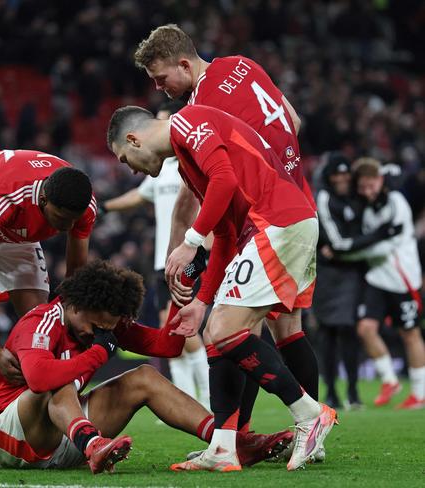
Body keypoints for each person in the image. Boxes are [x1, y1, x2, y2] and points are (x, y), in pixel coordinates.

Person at [106, 104, 337, 472]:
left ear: (134, 139)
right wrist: (201, 299)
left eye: (124, 158)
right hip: (265, 229)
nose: (130, 169)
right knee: (216, 334)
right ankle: (224, 447)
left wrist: (190, 240)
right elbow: (226, 232)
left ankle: (309, 413)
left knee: (226, 330)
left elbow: (225, 181)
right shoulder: (185, 160)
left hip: (277, 222)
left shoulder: (188, 121)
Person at [134, 23, 319, 438]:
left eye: (162, 78)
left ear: (184, 63)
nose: (162, 89)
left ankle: (240, 435)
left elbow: (200, 183)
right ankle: (294, 434)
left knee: (232, 326)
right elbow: (293, 117)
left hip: (262, 216)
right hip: (298, 199)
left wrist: (181, 244)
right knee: (287, 328)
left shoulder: (200, 107)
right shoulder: (242, 64)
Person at [0, 260, 292, 473]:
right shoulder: (41, 322)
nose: (96, 333)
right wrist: (98, 354)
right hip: (7, 440)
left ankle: (228, 442)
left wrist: (179, 300)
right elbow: (38, 377)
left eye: (106, 328)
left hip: (64, 441)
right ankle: (92, 443)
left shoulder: (104, 324)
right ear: (75, 305)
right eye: (94, 325)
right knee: (58, 378)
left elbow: (167, 346)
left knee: (143, 376)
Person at [0, 149, 97, 469]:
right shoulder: (4, 196)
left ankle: (38, 423)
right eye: (61, 218)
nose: (66, 227)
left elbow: (75, 274)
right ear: (44, 202)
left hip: (17, 234)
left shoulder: (83, 205)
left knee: (41, 324)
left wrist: (70, 325)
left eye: (72, 221)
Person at [100, 100, 210, 409]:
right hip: (166, 261)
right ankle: (185, 401)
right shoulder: (159, 171)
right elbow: (138, 195)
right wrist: (106, 206)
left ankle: (208, 400)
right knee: (171, 331)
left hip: (190, 255)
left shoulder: (191, 164)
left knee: (188, 332)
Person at [313, 153, 400, 409]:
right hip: (329, 274)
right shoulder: (325, 198)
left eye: (344, 174)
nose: (341, 178)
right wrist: (377, 236)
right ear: (328, 177)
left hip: (353, 273)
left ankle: (352, 392)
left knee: (349, 332)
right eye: (336, 174)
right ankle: (331, 393)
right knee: (327, 333)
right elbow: (336, 242)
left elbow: (379, 194)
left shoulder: (356, 196)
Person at [340, 158, 425, 410]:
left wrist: (349, 251)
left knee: (409, 334)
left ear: (380, 180)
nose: (368, 191)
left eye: (371, 185)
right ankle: (389, 380)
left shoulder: (396, 203)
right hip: (377, 278)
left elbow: (389, 244)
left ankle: (419, 395)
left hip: (402, 278)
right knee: (365, 328)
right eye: (363, 187)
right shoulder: (366, 208)